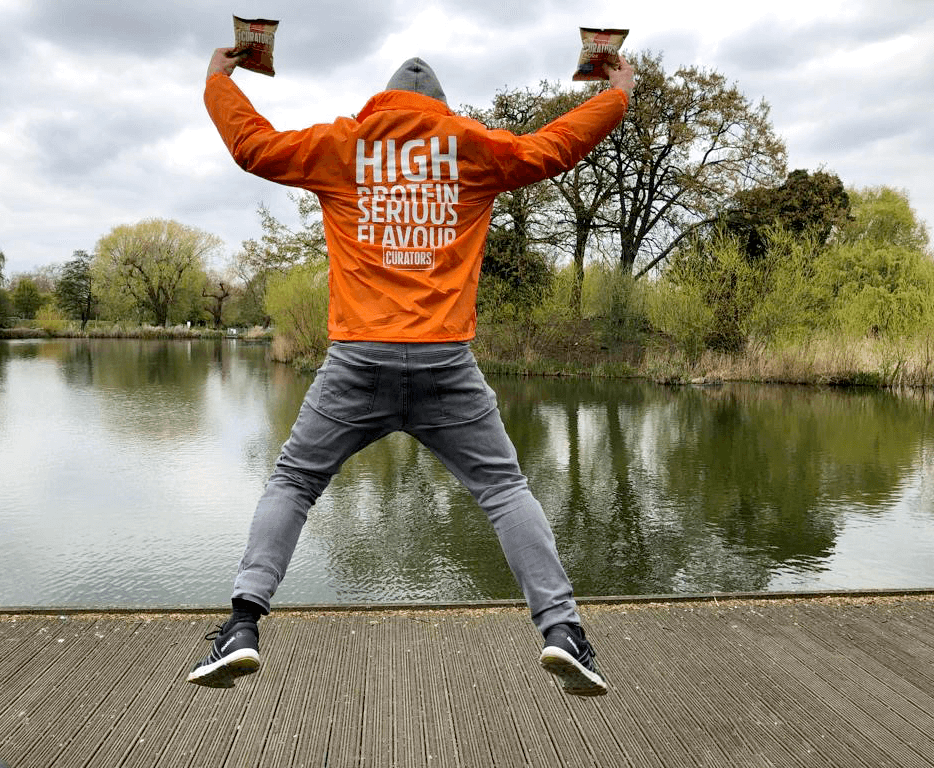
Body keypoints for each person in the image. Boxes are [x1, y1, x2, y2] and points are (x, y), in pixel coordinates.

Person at [189, 44, 635, 696]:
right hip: (445, 362)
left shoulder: (344, 145)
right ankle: (562, 632)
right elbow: (554, 146)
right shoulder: (473, 149)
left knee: (294, 482)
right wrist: (615, 95)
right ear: (443, 108)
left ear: (386, 100)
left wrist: (217, 81)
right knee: (506, 491)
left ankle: (242, 626)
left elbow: (254, 145)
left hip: (355, 362)